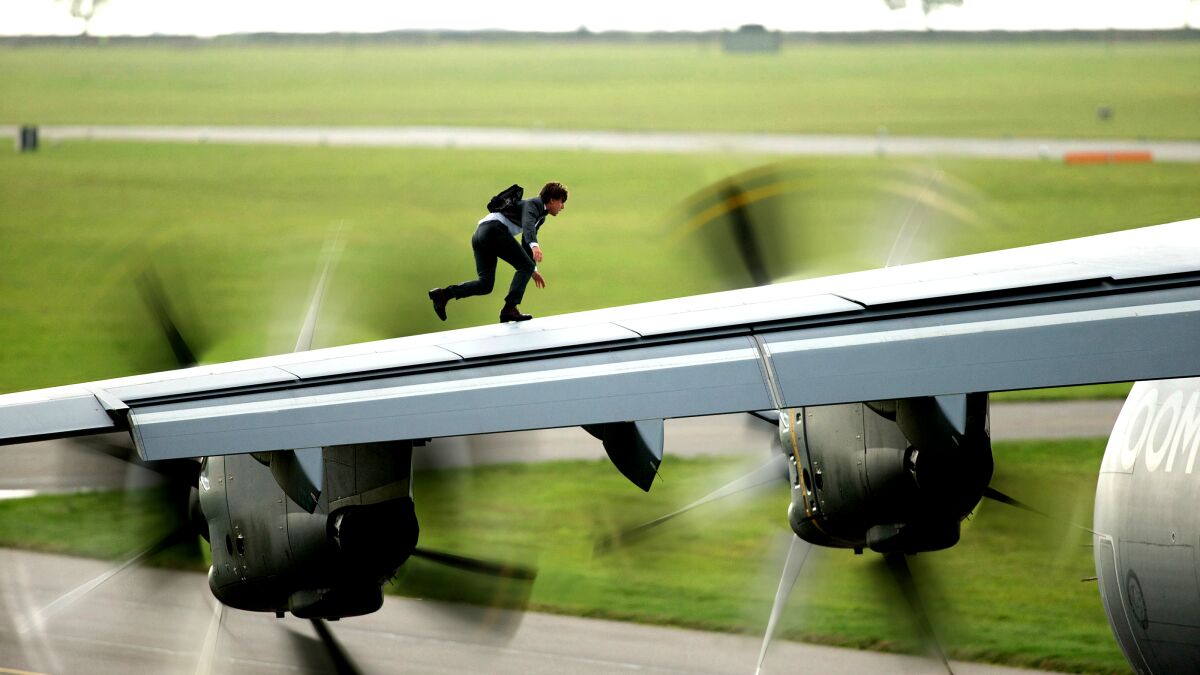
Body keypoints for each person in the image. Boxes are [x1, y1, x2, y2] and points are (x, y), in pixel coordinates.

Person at [428, 181, 568, 323]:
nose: (562, 207)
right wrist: (535, 247)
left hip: (480, 234)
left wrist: (533, 269)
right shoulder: (533, 205)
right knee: (525, 266)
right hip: (493, 230)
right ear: (552, 200)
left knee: (485, 285)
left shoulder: (541, 217)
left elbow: (526, 240)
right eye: (562, 202)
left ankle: (443, 295)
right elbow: (528, 226)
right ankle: (509, 309)